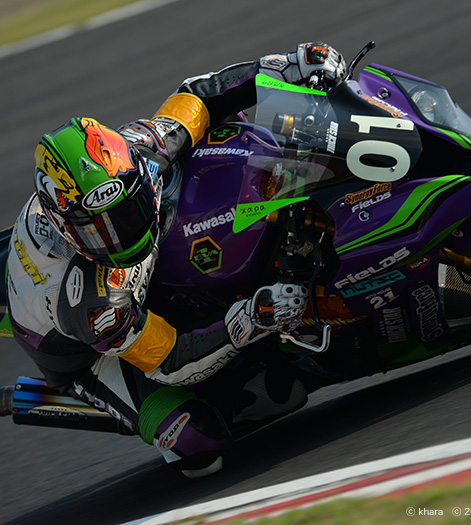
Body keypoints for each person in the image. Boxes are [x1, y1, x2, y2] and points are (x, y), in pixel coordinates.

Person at [7, 43, 347, 478]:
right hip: (87, 355)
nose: (120, 234)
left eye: (126, 211)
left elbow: (201, 95)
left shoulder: (140, 150)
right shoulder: (88, 303)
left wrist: (288, 66)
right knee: (198, 442)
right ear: (63, 225)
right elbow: (171, 361)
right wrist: (250, 319)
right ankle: (78, 398)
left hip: (135, 287)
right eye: (98, 229)